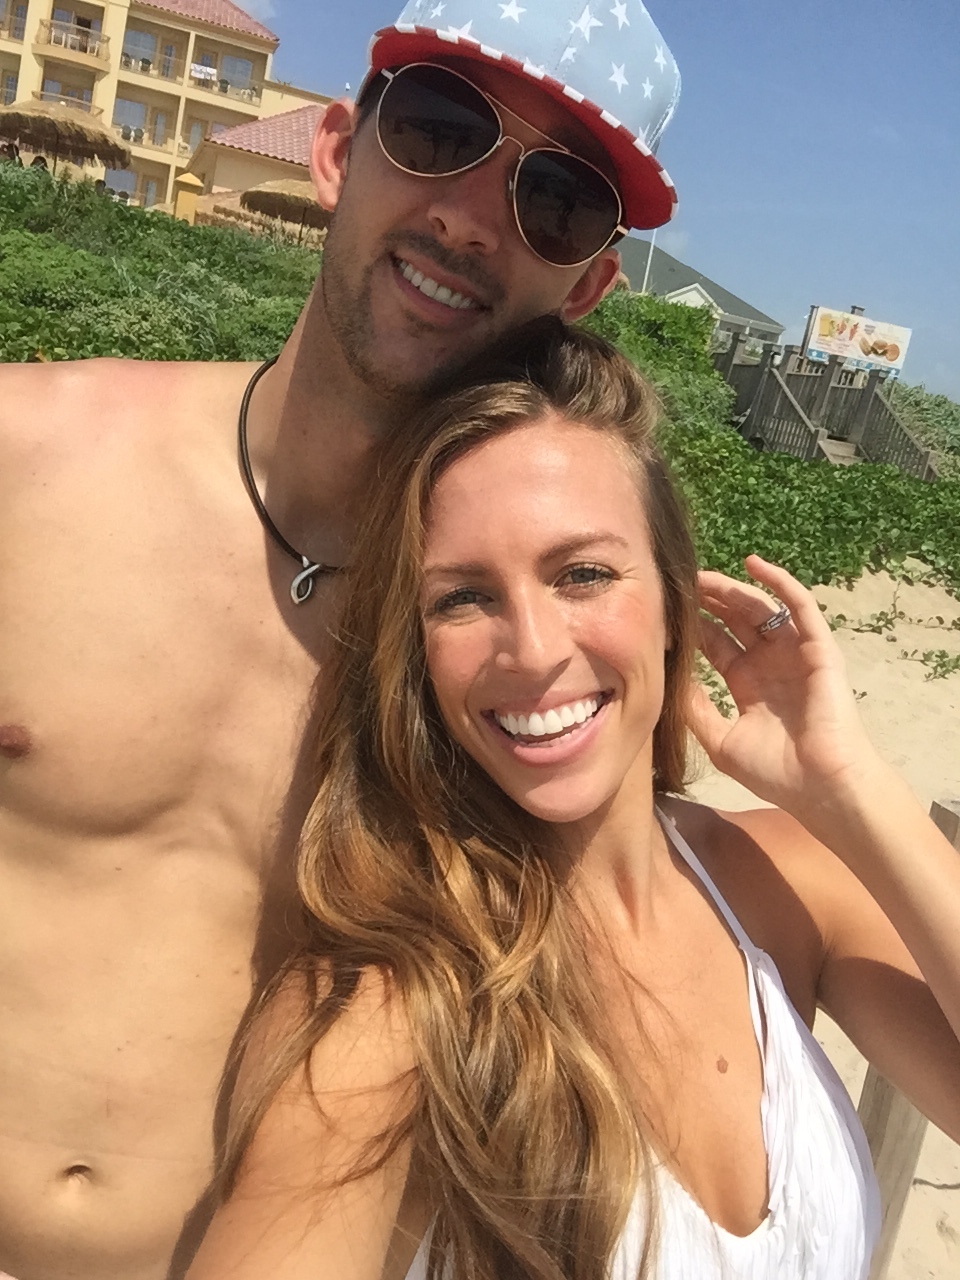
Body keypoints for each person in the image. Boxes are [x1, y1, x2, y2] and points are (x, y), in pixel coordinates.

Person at [0, 2, 683, 1278]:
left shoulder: (532, 672)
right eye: (438, 128)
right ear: (333, 152)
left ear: (589, 285)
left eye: (557, 200)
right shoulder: (27, 463)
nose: (471, 217)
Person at [186, 319, 960, 1280]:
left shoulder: (782, 883)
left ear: (673, 601)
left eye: (583, 573)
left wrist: (852, 789)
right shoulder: (394, 1008)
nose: (535, 650)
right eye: (462, 597)